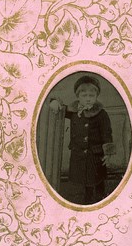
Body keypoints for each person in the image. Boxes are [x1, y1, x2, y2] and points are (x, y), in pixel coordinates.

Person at [50, 74, 116, 205]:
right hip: (79, 153)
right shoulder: (74, 112)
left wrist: (108, 154)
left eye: (91, 96)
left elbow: (107, 134)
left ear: (96, 97)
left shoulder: (101, 114)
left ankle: (99, 200)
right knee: (84, 181)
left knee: (96, 179)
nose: (88, 99)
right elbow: (61, 109)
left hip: (95, 154)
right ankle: (86, 202)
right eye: (84, 96)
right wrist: (54, 102)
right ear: (78, 97)